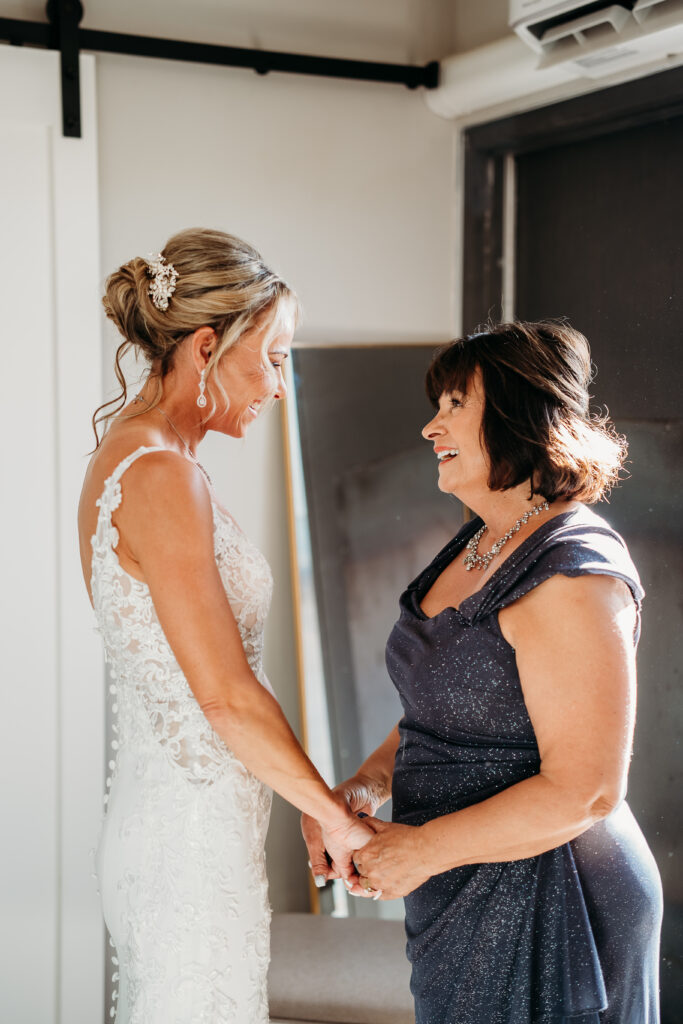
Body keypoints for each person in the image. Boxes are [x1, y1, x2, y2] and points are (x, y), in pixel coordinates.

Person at [303, 321, 663, 1024]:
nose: (429, 426)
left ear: (520, 412)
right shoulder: (482, 540)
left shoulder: (570, 572)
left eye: (453, 405)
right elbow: (440, 708)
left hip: (553, 898)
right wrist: (365, 786)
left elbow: (586, 790)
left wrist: (420, 853)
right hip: (459, 886)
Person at [78, 228, 371, 1024]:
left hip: (184, 824)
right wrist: (331, 813)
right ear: (206, 347)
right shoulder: (162, 474)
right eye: (272, 359)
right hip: (188, 846)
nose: (279, 387)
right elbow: (227, 698)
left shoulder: (141, 458)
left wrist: (308, 799)